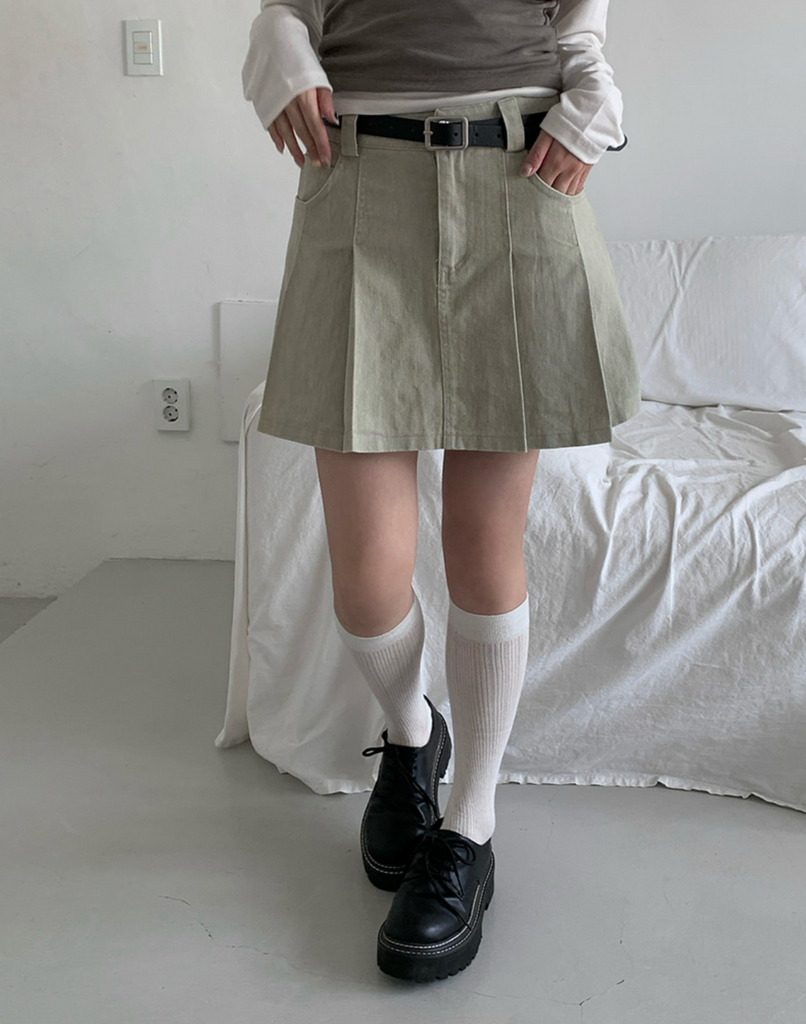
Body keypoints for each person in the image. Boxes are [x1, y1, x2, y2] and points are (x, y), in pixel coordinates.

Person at [242, 0, 641, 983]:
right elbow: (289, 7)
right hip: (358, 177)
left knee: (481, 544)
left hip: (518, 175)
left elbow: (577, 25)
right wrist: (281, 45)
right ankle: (413, 735)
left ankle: (469, 824)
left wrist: (591, 94)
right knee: (365, 580)